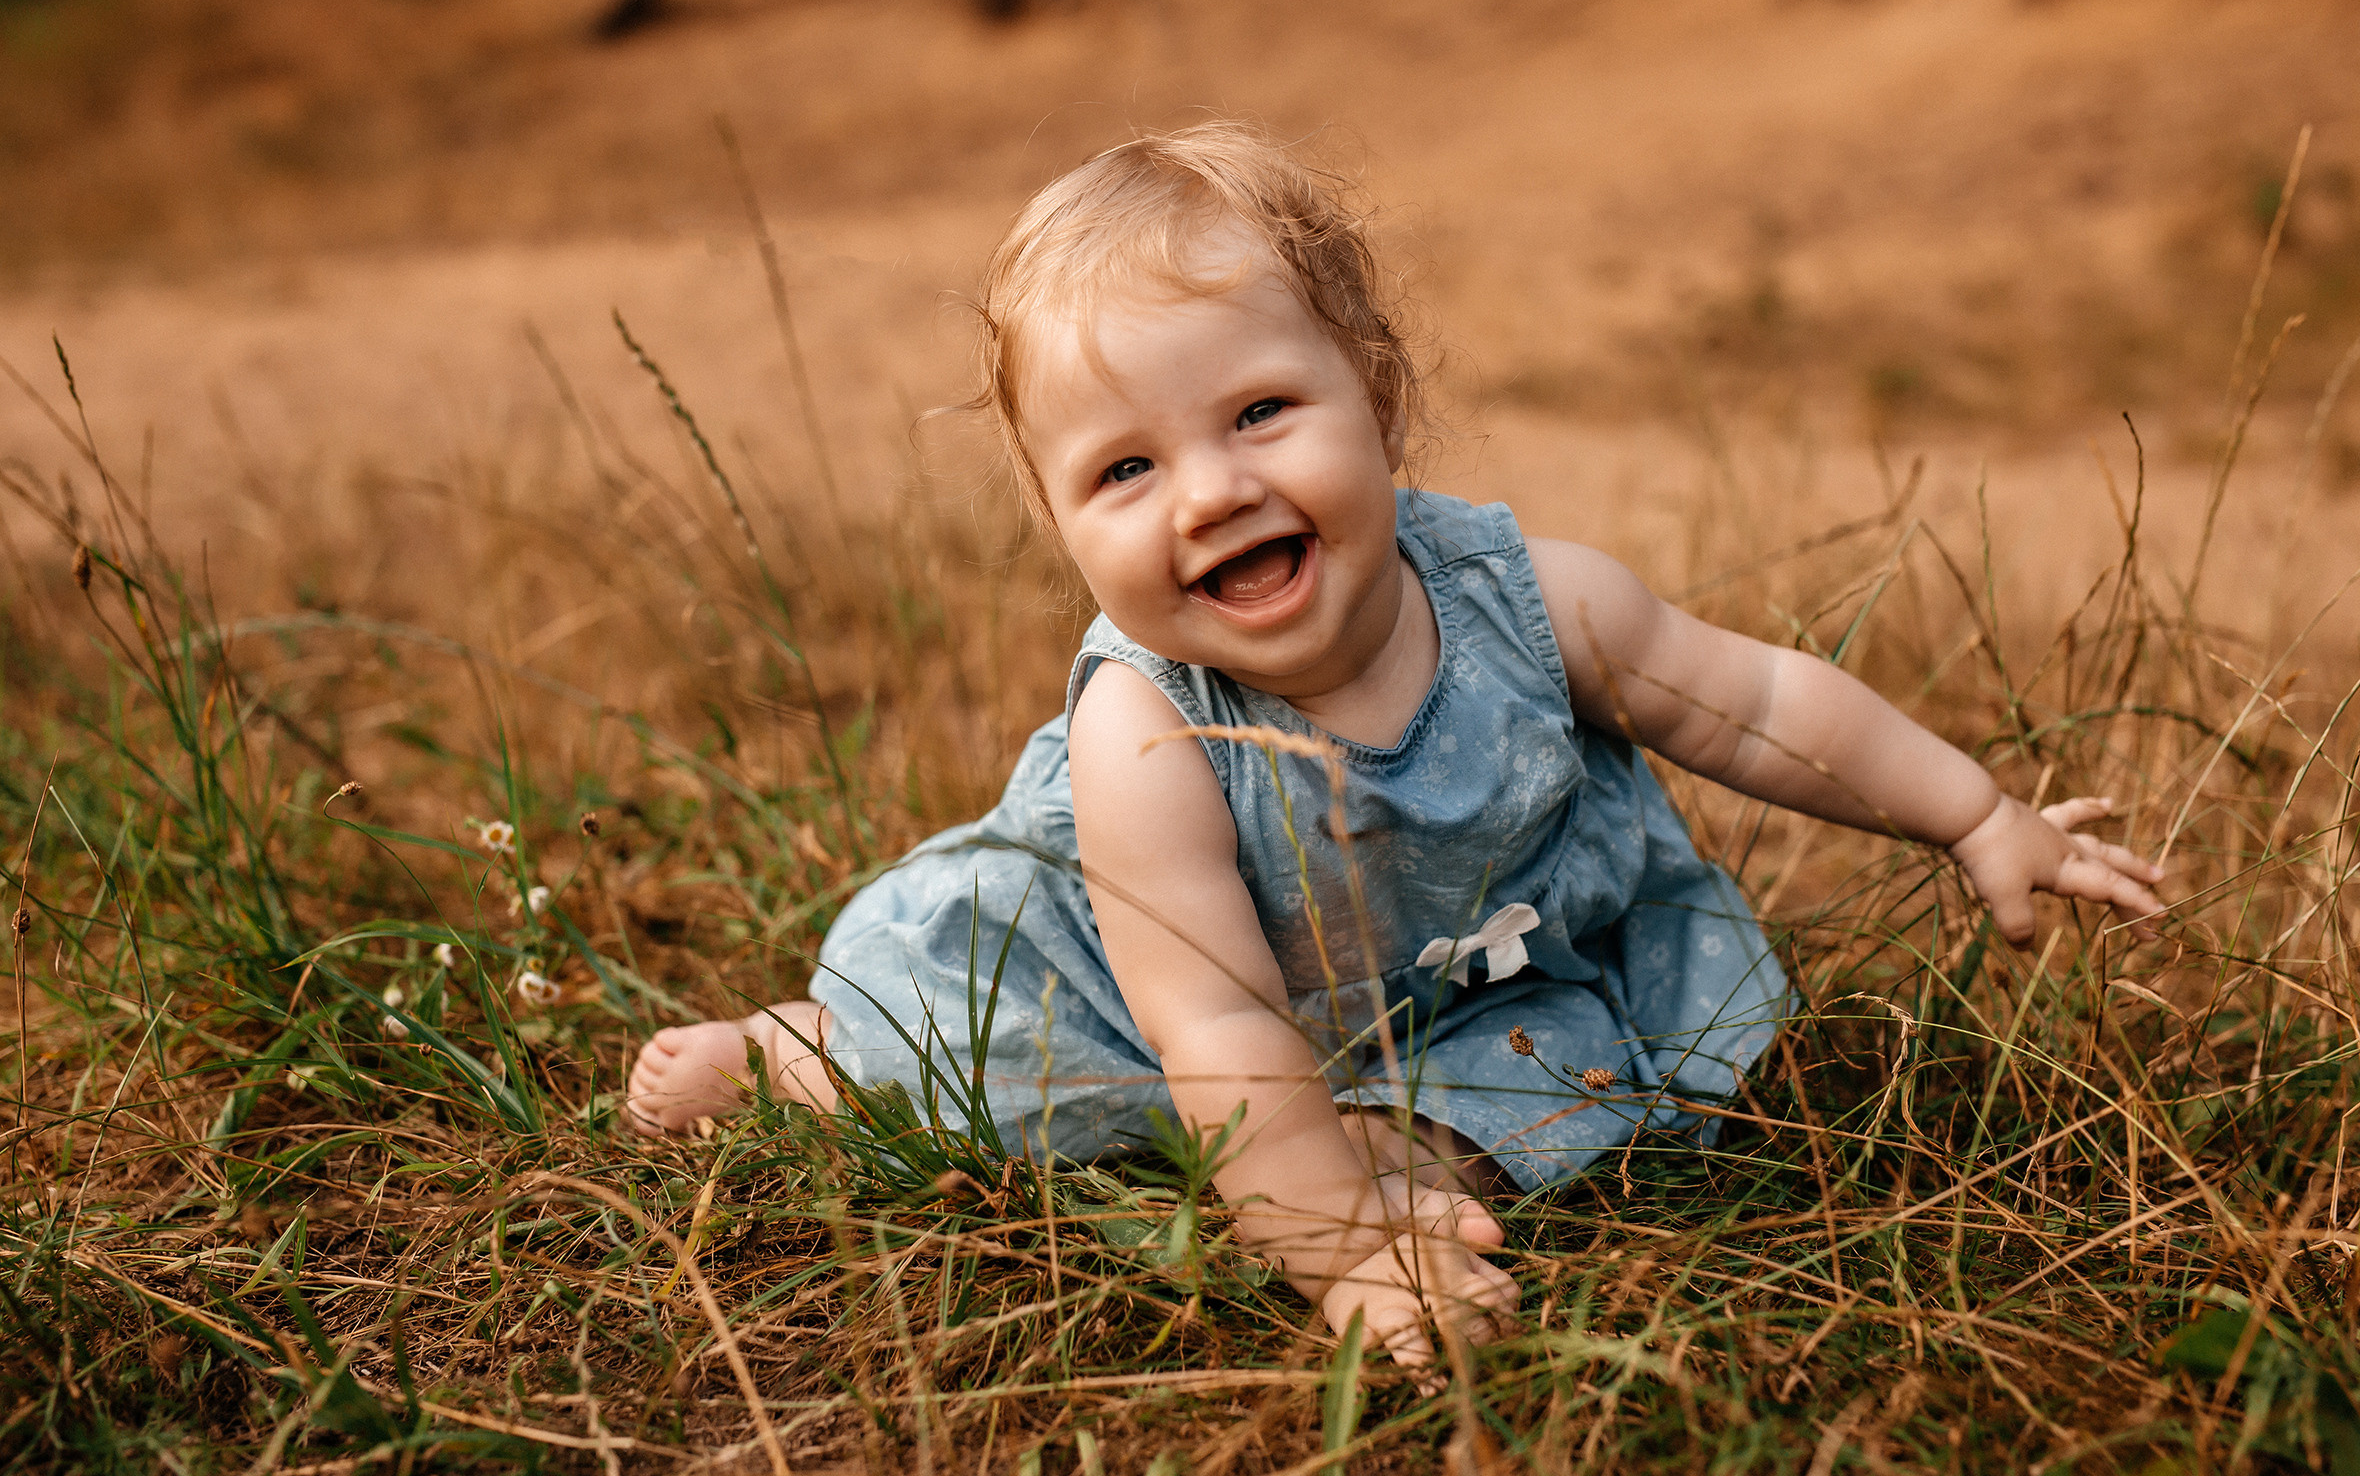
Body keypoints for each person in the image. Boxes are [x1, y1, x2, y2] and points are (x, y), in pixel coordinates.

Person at [626, 121, 2165, 1361]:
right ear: (1059, 525)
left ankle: (1394, 1150)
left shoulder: (1532, 602)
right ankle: (796, 1062)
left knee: (1575, 1061)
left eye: (1259, 413)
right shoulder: (1145, 735)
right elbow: (1219, 1033)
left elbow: (1756, 705)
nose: (1209, 493)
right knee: (962, 1058)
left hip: (1453, 982)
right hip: (1129, 993)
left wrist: (1977, 819)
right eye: (1125, 470)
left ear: (1376, 397)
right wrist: (1345, 1264)